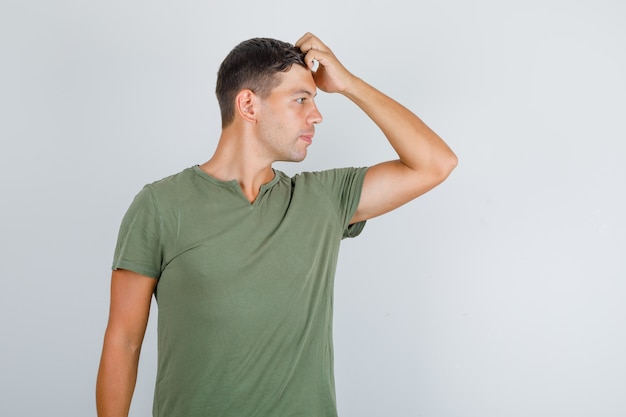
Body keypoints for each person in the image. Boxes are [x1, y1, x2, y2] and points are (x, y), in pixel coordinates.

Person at [96, 32, 457, 417]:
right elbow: (124, 341)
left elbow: (436, 163)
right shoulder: (160, 205)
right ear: (249, 105)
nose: (316, 115)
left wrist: (349, 84)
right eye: (301, 99)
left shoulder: (324, 199)